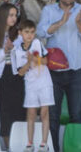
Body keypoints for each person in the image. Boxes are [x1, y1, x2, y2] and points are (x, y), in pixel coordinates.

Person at [37, 0, 81, 152]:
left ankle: (75, 149)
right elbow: (40, 32)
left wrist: (79, 26)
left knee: (76, 115)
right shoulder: (48, 10)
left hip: (76, 72)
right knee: (52, 117)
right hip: (53, 72)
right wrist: (60, 23)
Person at [12, 20, 53, 152]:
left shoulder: (37, 43)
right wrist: (29, 61)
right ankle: (29, 144)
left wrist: (34, 59)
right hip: (30, 84)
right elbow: (20, 72)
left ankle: (44, 144)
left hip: (44, 82)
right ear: (20, 33)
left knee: (44, 113)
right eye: (26, 32)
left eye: (32, 32)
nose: (29, 35)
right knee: (31, 113)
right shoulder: (18, 50)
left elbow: (46, 61)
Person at [0, 3, 24, 147]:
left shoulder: (20, 33)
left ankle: (20, 145)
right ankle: (9, 146)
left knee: (21, 111)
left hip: (20, 75)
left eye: (15, 15)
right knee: (6, 112)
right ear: (3, 16)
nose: (14, 18)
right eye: (11, 15)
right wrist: (5, 50)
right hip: (4, 75)